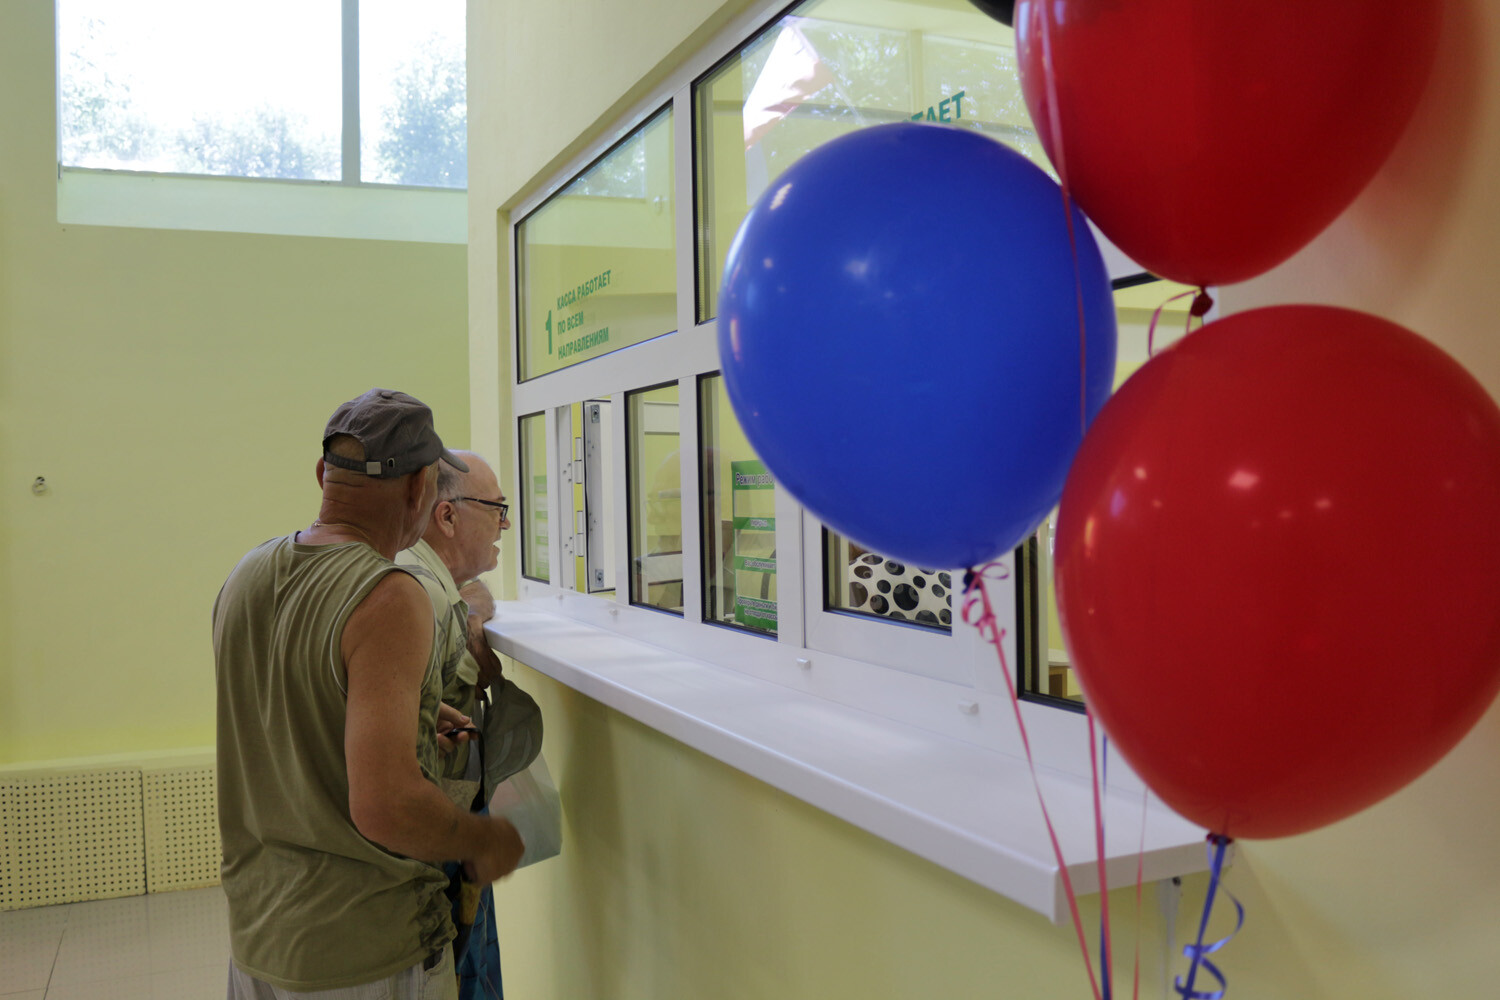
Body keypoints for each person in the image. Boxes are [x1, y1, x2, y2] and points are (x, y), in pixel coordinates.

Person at [213, 388, 523, 999]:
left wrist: (409, 718)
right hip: (363, 955)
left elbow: (291, 715)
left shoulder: (247, 573)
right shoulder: (389, 595)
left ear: (324, 473)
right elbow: (384, 805)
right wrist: (484, 840)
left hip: (258, 942)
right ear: (418, 491)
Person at [396, 451, 511, 999]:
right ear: (447, 516)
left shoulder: (441, 589)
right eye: (497, 508)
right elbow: (421, 717)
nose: (505, 524)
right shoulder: (425, 595)